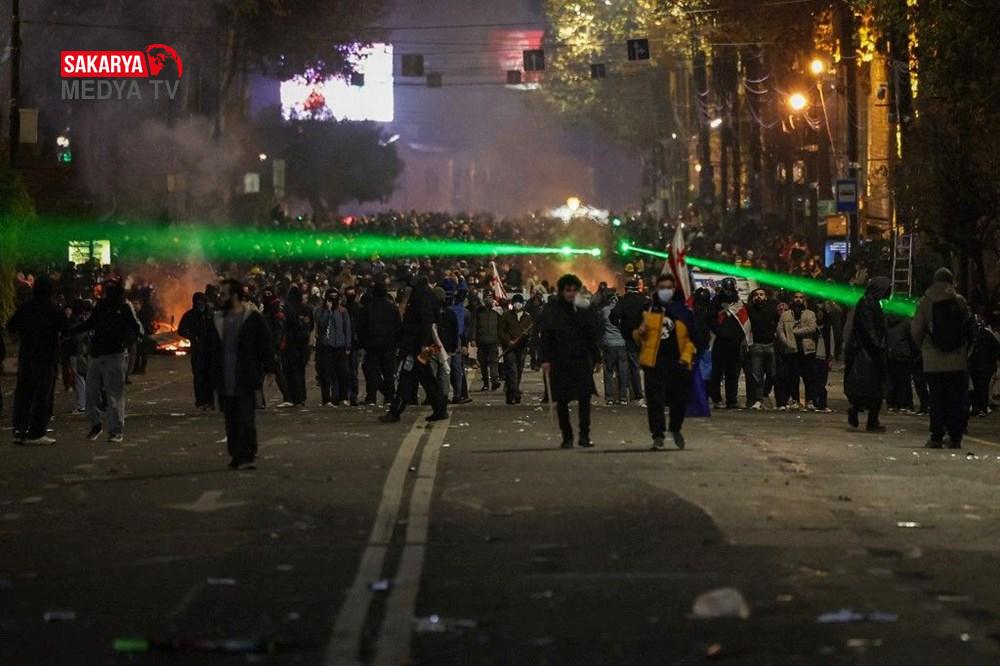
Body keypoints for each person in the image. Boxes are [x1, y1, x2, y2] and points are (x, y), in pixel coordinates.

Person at [205, 279, 277, 469]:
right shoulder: (218, 319)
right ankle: (236, 454)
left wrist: (270, 369)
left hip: (246, 377)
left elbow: (265, 344)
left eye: (224, 294)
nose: (220, 297)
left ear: (235, 295)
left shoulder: (252, 318)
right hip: (225, 378)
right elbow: (210, 349)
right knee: (231, 419)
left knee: (246, 418)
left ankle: (247, 455)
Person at [69, 279, 142, 443]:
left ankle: (116, 431)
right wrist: (71, 331)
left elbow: (135, 328)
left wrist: (126, 343)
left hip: (115, 355)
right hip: (97, 355)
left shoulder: (124, 308)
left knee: (114, 394)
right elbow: (91, 323)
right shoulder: (101, 306)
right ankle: (95, 424)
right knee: (91, 393)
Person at [911, 268, 973, 448]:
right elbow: (969, 328)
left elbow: (916, 330)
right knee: (955, 398)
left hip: (933, 360)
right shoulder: (959, 301)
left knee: (937, 398)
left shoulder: (925, 302)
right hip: (957, 359)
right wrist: (965, 349)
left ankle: (936, 436)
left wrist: (923, 349)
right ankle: (955, 437)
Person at [634, 274, 696, 450]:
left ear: (674, 289)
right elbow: (636, 337)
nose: (665, 291)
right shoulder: (648, 309)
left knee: (678, 401)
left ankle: (675, 428)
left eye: (669, 287)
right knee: (655, 401)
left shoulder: (683, 311)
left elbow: (692, 339)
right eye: (662, 288)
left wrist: (686, 358)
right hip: (654, 363)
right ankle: (658, 435)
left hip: (677, 363)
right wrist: (640, 332)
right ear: (656, 289)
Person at [541, 274, 600, 448]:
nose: (571, 294)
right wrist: (545, 359)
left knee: (584, 399)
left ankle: (584, 435)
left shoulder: (584, 310)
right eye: (568, 290)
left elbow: (591, 336)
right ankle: (567, 436)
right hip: (560, 361)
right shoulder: (553, 311)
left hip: (581, 360)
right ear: (561, 291)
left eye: (574, 290)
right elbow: (547, 336)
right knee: (562, 400)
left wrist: (596, 358)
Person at [6, 276, 67, 445]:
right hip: (47, 357)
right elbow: (66, 329)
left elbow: (11, 326)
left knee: (24, 393)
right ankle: (36, 432)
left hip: (27, 356)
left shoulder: (25, 307)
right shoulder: (54, 309)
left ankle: (20, 428)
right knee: (43, 395)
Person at [380, 276, 449, 423]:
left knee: (409, 376)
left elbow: (425, 321)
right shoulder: (427, 296)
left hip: (418, 345)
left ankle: (396, 411)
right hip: (424, 345)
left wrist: (422, 343)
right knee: (424, 377)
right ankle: (440, 407)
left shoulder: (421, 298)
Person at [844, 277, 891, 432]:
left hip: (870, 352)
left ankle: (870, 418)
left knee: (874, 389)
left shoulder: (872, 303)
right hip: (867, 354)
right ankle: (866, 416)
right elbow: (869, 328)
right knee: (871, 388)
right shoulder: (867, 304)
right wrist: (879, 345)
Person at [358, 282, 401, 406]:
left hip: (372, 345)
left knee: (372, 372)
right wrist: (397, 343)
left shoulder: (366, 309)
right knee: (388, 372)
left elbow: (361, 328)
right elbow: (398, 327)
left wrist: (362, 344)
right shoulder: (393, 309)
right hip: (389, 345)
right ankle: (389, 397)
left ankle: (371, 397)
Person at [709, 277, 748, 409]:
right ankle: (716, 398)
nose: (729, 292)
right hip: (721, 341)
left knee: (732, 373)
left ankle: (731, 400)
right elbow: (712, 320)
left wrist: (738, 337)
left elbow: (743, 322)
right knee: (717, 372)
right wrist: (722, 333)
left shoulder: (738, 303)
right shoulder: (716, 301)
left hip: (734, 343)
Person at [777, 292, 819, 410]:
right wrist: (787, 343)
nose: (798, 299)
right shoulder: (785, 315)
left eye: (801, 297)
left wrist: (796, 332)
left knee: (808, 377)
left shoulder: (810, 314)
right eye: (796, 297)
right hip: (792, 350)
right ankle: (795, 399)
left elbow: (812, 328)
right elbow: (780, 331)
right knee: (793, 376)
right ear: (792, 299)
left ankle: (809, 400)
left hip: (807, 350)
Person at [611, 279, 647, 405]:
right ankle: (642, 393)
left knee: (631, 366)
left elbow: (614, 316)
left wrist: (619, 326)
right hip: (645, 337)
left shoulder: (624, 301)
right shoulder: (644, 300)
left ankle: (635, 393)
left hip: (629, 337)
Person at [314, 289, 352, 406]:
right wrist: (329, 311)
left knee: (343, 373)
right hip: (326, 346)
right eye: (331, 297)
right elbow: (321, 323)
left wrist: (348, 345)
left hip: (340, 346)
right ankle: (326, 398)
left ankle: (343, 397)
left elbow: (347, 328)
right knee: (326, 373)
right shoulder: (320, 311)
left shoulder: (343, 311)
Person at [177, 292, 214, 409]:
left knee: (210, 374)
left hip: (210, 348)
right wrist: (193, 337)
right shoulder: (190, 315)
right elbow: (181, 329)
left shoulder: (210, 314)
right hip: (198, 349)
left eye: (203, 301)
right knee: (198, 375)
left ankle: (210, 399)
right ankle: (200, 399)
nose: (201, 304)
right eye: (199, 301)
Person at [746, 288, 779, 410]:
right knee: (757, 375)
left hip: (771, 344)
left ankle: (765, 394)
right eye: (756, 295)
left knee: (772, 373)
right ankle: (758, 399)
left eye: (761, 294)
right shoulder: (749, 309)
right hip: (756, 345)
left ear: (765, 297)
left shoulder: (771, 308)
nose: (758, 297)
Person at [498, 293, 533, 405]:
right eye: (515, 302)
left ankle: (513, 392)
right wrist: (508, 341)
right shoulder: (506, 316)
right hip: (509, 348)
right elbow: (501, 331)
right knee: (511, 370)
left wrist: (527, 335)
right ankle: (513, 393)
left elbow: (531, 332)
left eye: (519, 302)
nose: (517, 304)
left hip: (522, 348)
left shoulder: (527, 317)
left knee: (518, 370)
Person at [282, 286, 314, 407]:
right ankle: (302, 396)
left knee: (291, 371)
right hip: (303, 342)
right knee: (301, 370)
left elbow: (285, 324)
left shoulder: (287, 308)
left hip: (291, 342)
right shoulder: (307, 309)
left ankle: (294, 396)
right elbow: (311, 325)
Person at [599, 292, 629, 405]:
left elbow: (600, 327)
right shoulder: (622, 311)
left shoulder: (604, 311)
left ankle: (610, 397)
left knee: (608, 371)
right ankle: (623, 397)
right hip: (621, 343)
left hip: (608, 344)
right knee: (623, 371)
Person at [968, 310, 999, 417]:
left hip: (979, 365)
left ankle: (979, 408)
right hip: (983, 365)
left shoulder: (977, 336)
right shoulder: (987, 335)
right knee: (981, 388)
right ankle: (980, 408)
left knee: (979, 387)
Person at [472, 292, 502, 391]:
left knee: (494, 362)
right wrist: (473, 339)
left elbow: (501, 326)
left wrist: (500, 339)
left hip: (493, 341)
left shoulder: (497, 312)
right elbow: (474, 325)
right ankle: (486, 383)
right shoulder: (478, 311)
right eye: (487, 297)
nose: (489, 299)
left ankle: (494, 381)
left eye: (490, 297)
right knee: (483, 363)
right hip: (482, 341)